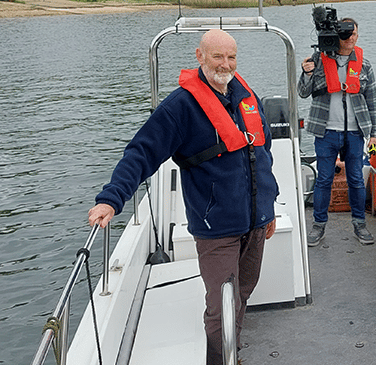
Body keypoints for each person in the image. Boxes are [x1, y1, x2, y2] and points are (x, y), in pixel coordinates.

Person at [87, 29, 279, 365]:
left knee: (243, 291)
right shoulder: (181, 106)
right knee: (221, 306)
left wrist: (270, 207)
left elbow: (263, 155)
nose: (225, 64)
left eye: (231, 56)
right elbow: (141, 154)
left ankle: (233, 349)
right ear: (199, 56)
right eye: (217, 56)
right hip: (216, 225)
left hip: (257, 219)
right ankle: (221, 359)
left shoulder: (247, 96)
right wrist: (111, 198)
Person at [298, 17, 376, 247]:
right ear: (337, 36)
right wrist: (306, 73)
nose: (351, 38)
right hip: (326, 131)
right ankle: (318, 226)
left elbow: (372, 100)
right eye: (347, 34)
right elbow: (303, 92)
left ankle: (359, 224)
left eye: (354, 34)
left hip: (355, 132)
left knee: (355, 179)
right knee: (323, 180)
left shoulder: (365, 65)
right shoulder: (319, 59)